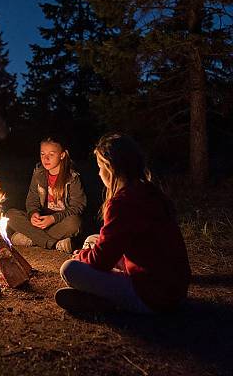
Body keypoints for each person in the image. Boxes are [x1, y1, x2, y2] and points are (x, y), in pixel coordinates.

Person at [55, 133, 191, 314]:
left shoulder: (123, 202)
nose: (98, 173)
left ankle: (109, 303)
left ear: (110, 168)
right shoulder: (149, 191)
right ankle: (102, 297)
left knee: (69, 269)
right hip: (175, 288)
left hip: (152, 295)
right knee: (93, 238)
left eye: (99, 167)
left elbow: (101, 260)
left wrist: (80, 256)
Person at [5, 137, 86, 253]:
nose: (45, 158)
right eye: (42, 154)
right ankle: (54, 243)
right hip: (41, 222)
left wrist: (53, 218)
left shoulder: (72, 177)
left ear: (62, 155)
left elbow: (78, 207)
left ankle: (31, 238)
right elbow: (32, 200)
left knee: (75, 222)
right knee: (10, 215)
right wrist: (34, 213)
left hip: (60, 222)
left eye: (51, 154)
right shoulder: (39, 174)